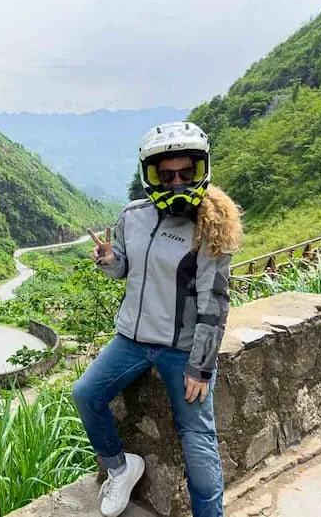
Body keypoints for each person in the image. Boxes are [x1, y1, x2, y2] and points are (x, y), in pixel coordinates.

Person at [73, 122, 242, 517]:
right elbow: (126, 269)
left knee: (197, 440)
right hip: (131, 339)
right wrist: (109, 261)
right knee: (85, 394)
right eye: (167, 175)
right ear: (152, 176)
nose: (178, 182)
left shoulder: (210, 226)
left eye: (187, 173)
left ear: (201, 170)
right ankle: (120, 468)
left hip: (181, 351)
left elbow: (213, 303)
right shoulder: (133, 215)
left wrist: (200, 367)